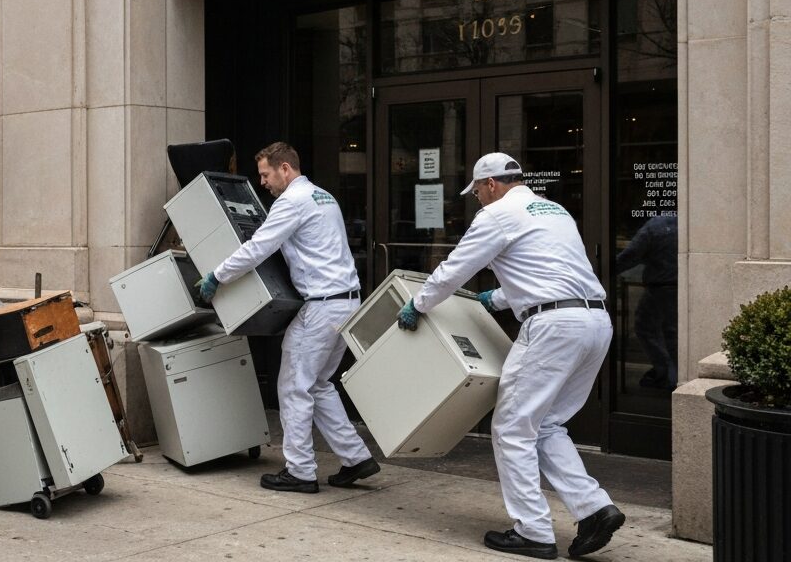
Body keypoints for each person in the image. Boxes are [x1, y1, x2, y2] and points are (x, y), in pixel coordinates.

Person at [397, 153, 624, 559]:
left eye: (477, 192)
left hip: (552, 328)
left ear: (490, 184)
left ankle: (533, 531)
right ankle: (594, 509)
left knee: (512, 428)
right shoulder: (553, 210)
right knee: (547, 424)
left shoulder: (496, 215)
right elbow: (549, 272)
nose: (478, 200)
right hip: (594, 321)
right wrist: (497, 299)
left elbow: (454, 269)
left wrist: (419, 302)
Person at [196, 142, 379, 493]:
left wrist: (217, 276)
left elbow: (257, 247)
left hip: (321, 306)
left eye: (265, 174)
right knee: (319, 384)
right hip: (347, 303)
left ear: (284, 168)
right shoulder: (324, 196)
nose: (262, 182)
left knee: (294, 387)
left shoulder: (291, 201)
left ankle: (300, 472)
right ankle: (356, 458)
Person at [615, 213, 678, 389]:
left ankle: (667, 373)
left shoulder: (656, 225)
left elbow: (631, 254)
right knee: (672, 334)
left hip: (661, 285)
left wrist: (603, 270)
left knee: (647, 328)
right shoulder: (687, 222)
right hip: (679, 285)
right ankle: (671, 374)